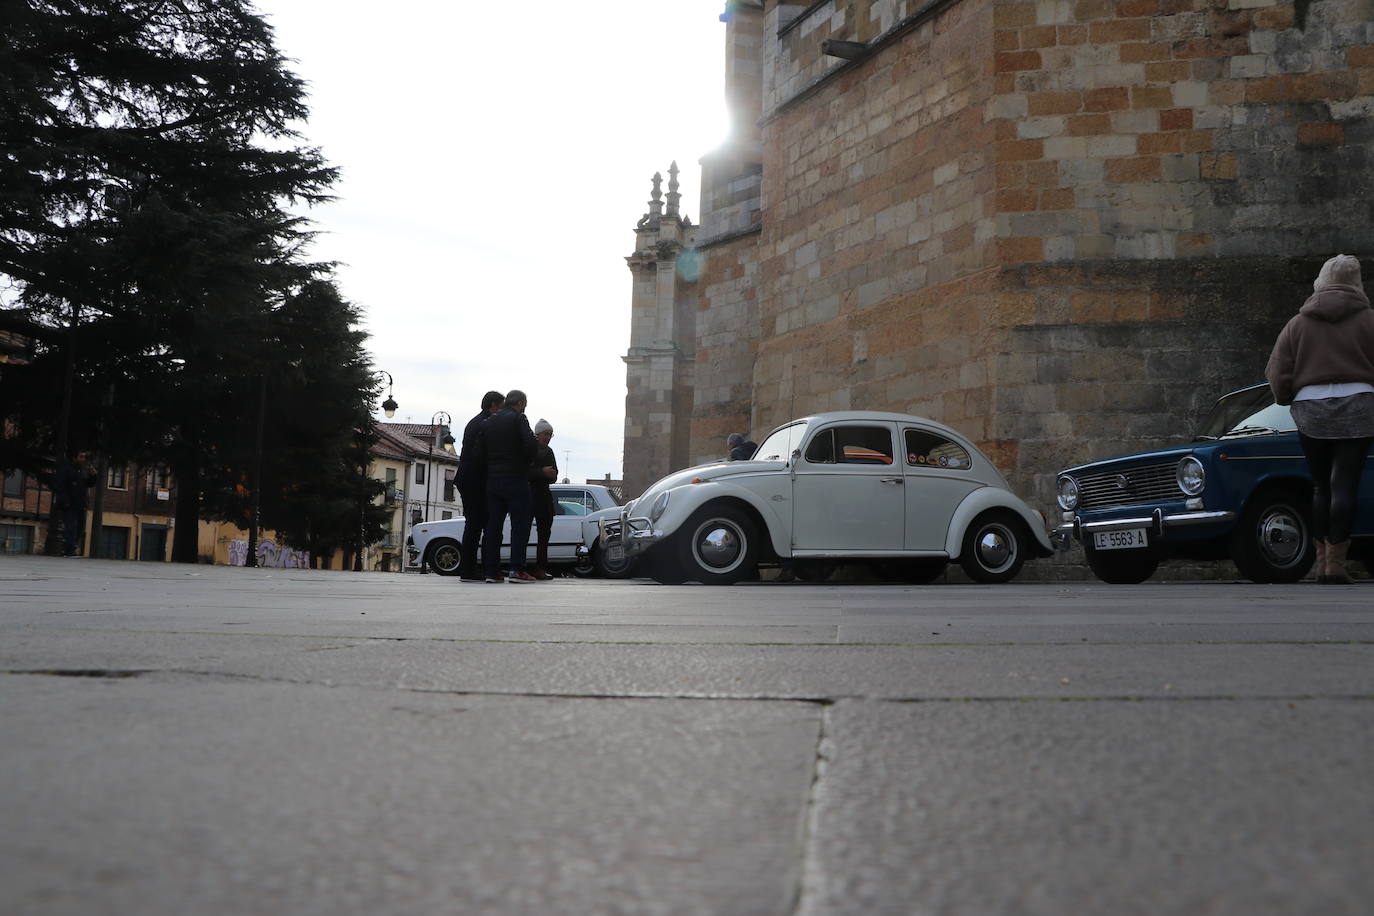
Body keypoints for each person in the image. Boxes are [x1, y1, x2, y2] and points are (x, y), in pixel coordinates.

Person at [1266, 254, 1374, 584]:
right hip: (1359, 405)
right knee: (1345, 484)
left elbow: (1277, 371)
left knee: (1320, 485)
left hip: (1310, 408)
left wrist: (1286, 397)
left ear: (1321, 281)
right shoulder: (1369, 320)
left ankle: (1321, 561)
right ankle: (1337, 565)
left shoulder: (1298, 324)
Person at [482, 389, 539, 583]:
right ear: (521, 403)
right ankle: (516, 569)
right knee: (520, 525)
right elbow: (531, 444)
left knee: (493, 527)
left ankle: (491, 571)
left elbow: (478, 450)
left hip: (493, 480)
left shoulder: (489, 421)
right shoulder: (518, 419)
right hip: (516, 478)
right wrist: (528, 461)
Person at [456, 390, 504, 581]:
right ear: (493, 405)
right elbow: (479, 455)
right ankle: (469, 570)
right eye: (502, 406)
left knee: (475, 524)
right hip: (475, 480)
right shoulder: (485, 424)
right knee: (477, 524)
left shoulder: (476, 422)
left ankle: (472, 568)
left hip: (469, 478)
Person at [528, 419, 559, 580]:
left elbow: (554, 474)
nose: (548, 437)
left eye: (550, 435)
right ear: (538, 434)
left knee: (544, 534)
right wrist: (542, 472)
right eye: (546, 434)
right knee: (523, 532)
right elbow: (525, 471)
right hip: (529, 495)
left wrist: (548, 474)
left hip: (544, 496)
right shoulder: (529, 449)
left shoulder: (549, 452)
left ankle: (540, 568)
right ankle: (519, 567)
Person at [53, 452, 97, 557]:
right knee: (70, 527)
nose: (83, 459)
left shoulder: (83, 470)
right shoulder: (66, 469)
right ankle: (68, 551)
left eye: (84, 457)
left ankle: (71, 549)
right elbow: (60, 486)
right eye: (81, 456)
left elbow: (88, 484)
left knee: (79, 528)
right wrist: (65, 501)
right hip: (70, 504)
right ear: (74, 458)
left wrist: (93, 476)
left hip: (81, 504)